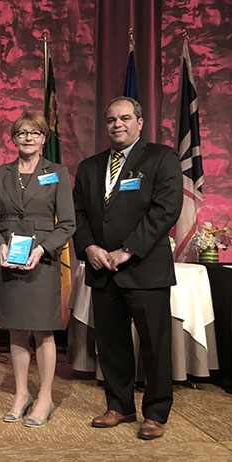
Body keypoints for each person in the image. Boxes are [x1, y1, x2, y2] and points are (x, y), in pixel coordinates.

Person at [73, 96, 183, 440]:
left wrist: (127, 250)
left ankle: (156, 412)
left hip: (144, 269)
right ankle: (119, 405)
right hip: (101, 269)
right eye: (110, 120)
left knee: (155, 344)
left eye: (124, 118)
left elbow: (166, 209)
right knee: (111, 343)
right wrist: (89, 246)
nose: (117, 124)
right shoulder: (89, 166)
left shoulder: (161, 157)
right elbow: (78, 214)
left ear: (140, 122)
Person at [0, 112, 75, 427]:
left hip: (42, 260)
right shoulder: (0, 174)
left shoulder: (58, 172)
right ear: (14, 138)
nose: (28, 138)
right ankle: (21, 394)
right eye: (21, 133)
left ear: (44, 138)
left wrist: (42, 249)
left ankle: (45, 396)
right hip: (8, 259)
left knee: (42, 330)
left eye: (34, 133)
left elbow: (68, 224)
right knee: (17, 328)